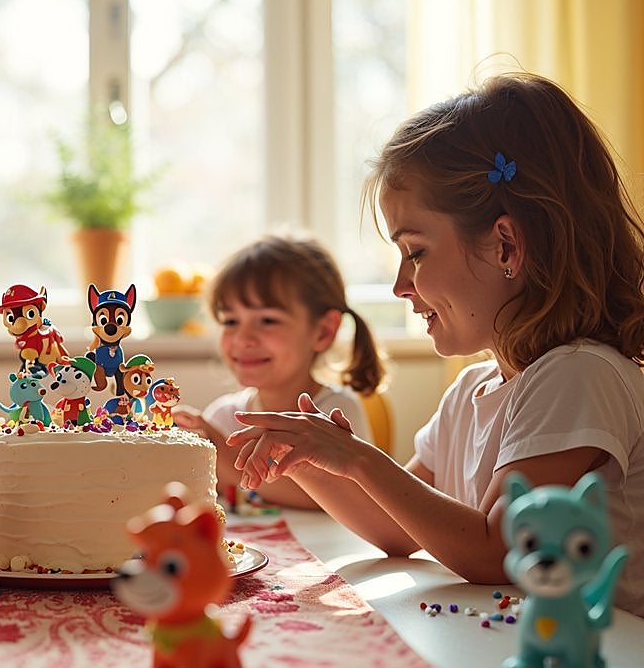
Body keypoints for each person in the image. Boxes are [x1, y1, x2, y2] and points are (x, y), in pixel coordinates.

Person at [229, 72, 644, 616]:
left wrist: (356, 457)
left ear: (505, 244)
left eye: (416, 252)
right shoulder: (472, 390)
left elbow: (497, 551)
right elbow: (397, 528)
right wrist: (305, 456)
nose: (402, 285)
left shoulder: (578, 375)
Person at [173, 234, 384, 509]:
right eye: (231, 321)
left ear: (323, 331)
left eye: (268, 320)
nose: (243, 338)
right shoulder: (223, 417)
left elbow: (345, 500)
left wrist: (222, 453)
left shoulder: (335, 414)